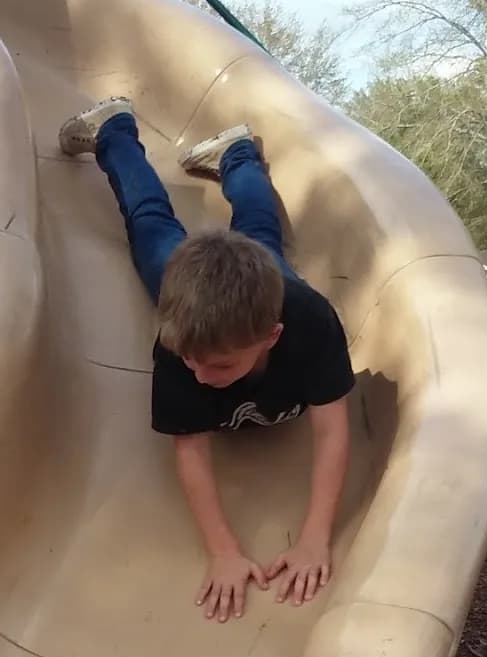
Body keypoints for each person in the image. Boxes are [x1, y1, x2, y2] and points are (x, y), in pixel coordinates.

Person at [59, 99, 354, 622]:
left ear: (272, 336)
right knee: (151, 226)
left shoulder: (311, 325)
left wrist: (314, 538)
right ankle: (116, 130)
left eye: (218, 367)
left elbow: (332, 430)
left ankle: (237, 153)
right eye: (191, 362)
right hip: (186, 280)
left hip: (266, 288)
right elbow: (191, 449)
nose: (200, 377)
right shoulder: (181, 346)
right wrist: (222, 549)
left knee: (262, 233)